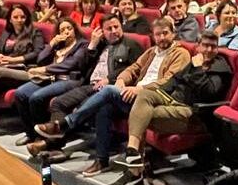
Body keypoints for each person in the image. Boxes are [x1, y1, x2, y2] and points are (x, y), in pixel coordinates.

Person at [35, 16, 190, 175]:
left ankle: (65, 124)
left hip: (154, 99)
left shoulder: (181, 54)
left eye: (165, 33)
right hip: (135, 96)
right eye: (158, 34)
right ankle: (101, 160)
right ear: (153, 36)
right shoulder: (151, 52)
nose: (162, 38)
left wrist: (139, 89)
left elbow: (169, 81)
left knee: (108, 90)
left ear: (173, 34)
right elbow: (133, 68)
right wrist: (122, 80)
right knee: (105, 108)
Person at [112, 29, 234, 179]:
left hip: (194, 113)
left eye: (213, 46)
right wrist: (153, 92)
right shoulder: (194, 61)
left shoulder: (220, 68)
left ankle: (135, 172)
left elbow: (209, 92)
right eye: (205, 45)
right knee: (144, 96)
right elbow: (174, 81)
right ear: (198, 46)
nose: (209, 50)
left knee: (142, 115)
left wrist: (197, 69)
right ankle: (133, 152)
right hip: (174, 101)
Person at [21, 16, 137, 150]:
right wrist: (92, 46)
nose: (114, 31)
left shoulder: (131, 45)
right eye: (109, 28)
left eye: (116, 27)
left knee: (81, 106)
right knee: (58, 103)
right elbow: (82, 67)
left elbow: (134, 69)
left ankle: (51, 144)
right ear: (102, 31)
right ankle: (54, 140)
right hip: (89, 85)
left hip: (108, 89)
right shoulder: (100, 45)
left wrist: (109, 79)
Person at [13, 19, 99, 144]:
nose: (66, 32)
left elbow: (72, 64)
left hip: (69, 80)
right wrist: (51, 44)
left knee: (36, 97)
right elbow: (40, 60)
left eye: (69, 28)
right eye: (62, 30)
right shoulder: (59, 45)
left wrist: (45, 69)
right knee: (20, 93)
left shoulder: (82, 44)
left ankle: (41, 135)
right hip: (50, 78)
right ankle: (30, 133)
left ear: (75, 30)